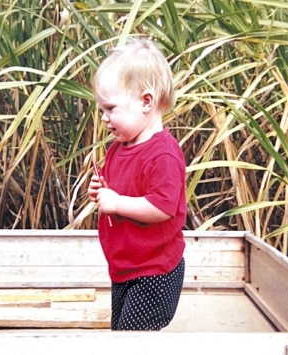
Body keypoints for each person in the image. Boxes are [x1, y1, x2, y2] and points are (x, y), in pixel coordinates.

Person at [87, 38, 187, 331]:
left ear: (146, 101)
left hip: (154, 273)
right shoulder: (120, 147)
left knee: (130, 342)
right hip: (125, 268)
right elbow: (121, 187)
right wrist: (101, 189)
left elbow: (162, 207)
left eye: (110, 109)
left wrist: (117, 203)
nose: (104, 118)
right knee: (121, 335)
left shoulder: (163, 155)